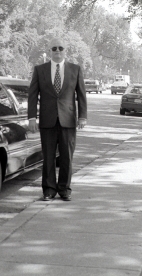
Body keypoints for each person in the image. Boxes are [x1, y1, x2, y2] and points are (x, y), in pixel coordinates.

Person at [28, 37, 87, 201]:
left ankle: (64, 190)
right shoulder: (40, 70)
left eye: (60, 48)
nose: (57, 51)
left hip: (68, 120)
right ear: (50, 51)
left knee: (67, 156)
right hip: (47, 120)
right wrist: (32, 117)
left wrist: (82, 116)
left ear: (65, 50)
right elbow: (32, 95)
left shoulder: (75, 69)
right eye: (54, 48)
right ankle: (48, 190)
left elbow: (81, 95)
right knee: (48, 157)